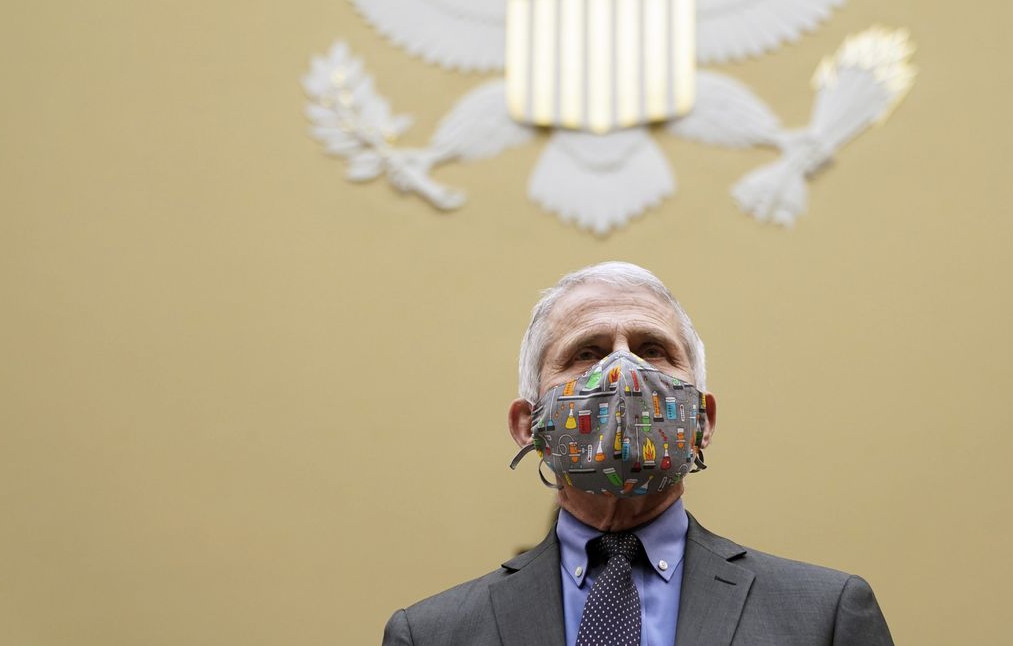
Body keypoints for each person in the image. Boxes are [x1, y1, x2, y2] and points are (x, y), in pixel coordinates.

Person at [382, 262, 894, 646]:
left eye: (653, 350)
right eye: (588, 352)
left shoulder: (824, 616)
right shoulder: (431, 635)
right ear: (528, 425)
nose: (623, 371)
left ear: (703, 420)